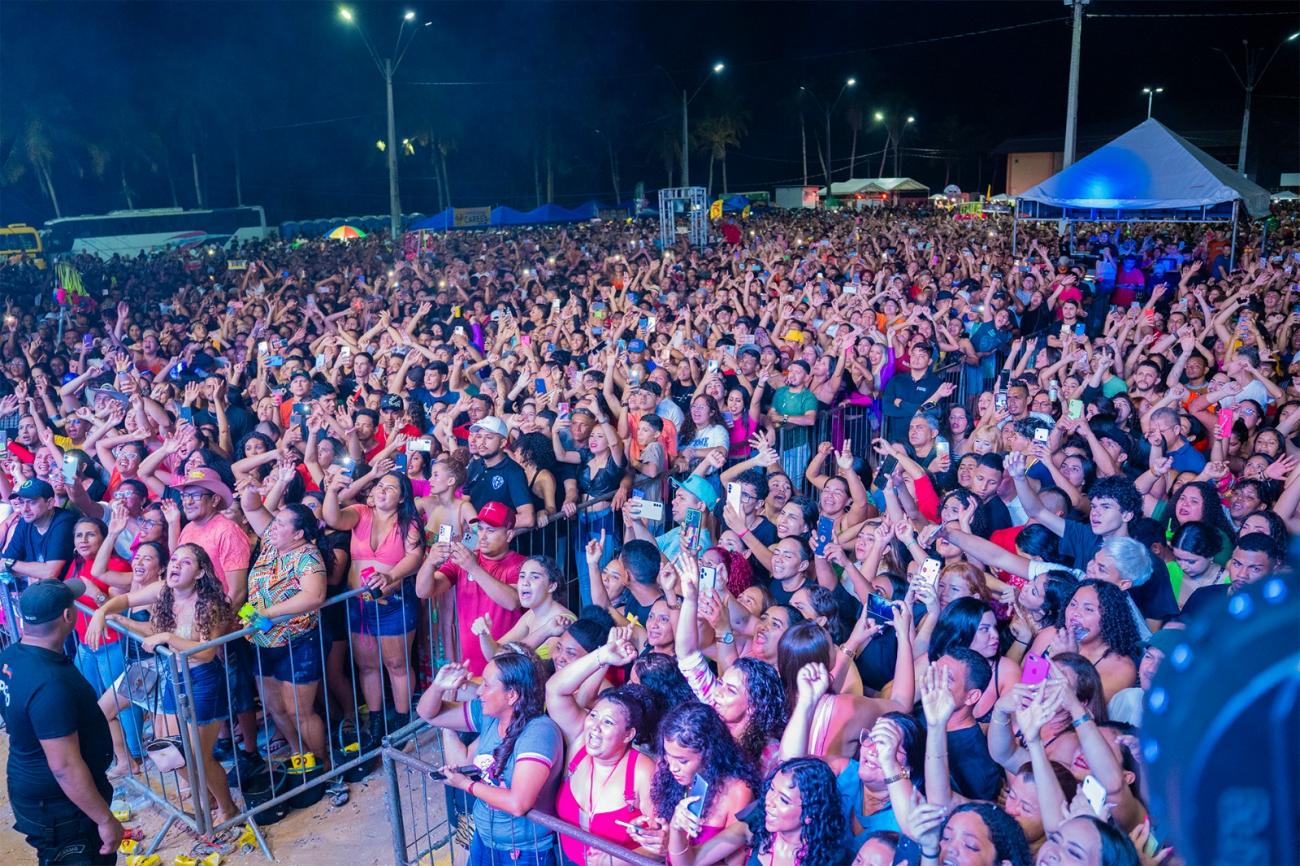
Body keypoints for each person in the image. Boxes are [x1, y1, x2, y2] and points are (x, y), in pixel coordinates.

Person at [0, 579, 122, 865]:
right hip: (60, 808)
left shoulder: (12, 655)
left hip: (34, 789)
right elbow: (64, 767)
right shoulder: (50, 684)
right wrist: (104, 819)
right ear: (68, 615)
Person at [417, 652, 564, 866]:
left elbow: (518, 803)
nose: (478, 691)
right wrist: (438, 687)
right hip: (485, 837)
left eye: (486, 685)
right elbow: (429, 715)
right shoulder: (489, 715)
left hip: (523, 851)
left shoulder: (539, 733)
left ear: (511, 695)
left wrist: (465, 784)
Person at [419, 501, 526, 675]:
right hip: (471, 666)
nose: (482, 536)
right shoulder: (464, 560)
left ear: (509, 535)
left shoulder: (521, 564)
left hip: (508, 665)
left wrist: (474, 568)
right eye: (480, 529)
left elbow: (513, 602)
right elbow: (423, 591)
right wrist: (430, 562)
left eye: (490, 530)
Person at [0, 478, 76, 590]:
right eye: (22, 502)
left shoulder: (64, 522)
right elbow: (4, 562)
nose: (24, 509)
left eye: (32, 502)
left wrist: (12, 564)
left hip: (63, 592)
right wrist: (32, 571)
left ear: (49, 503)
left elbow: (51, 572)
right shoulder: (25, 522)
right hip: (38, 590)